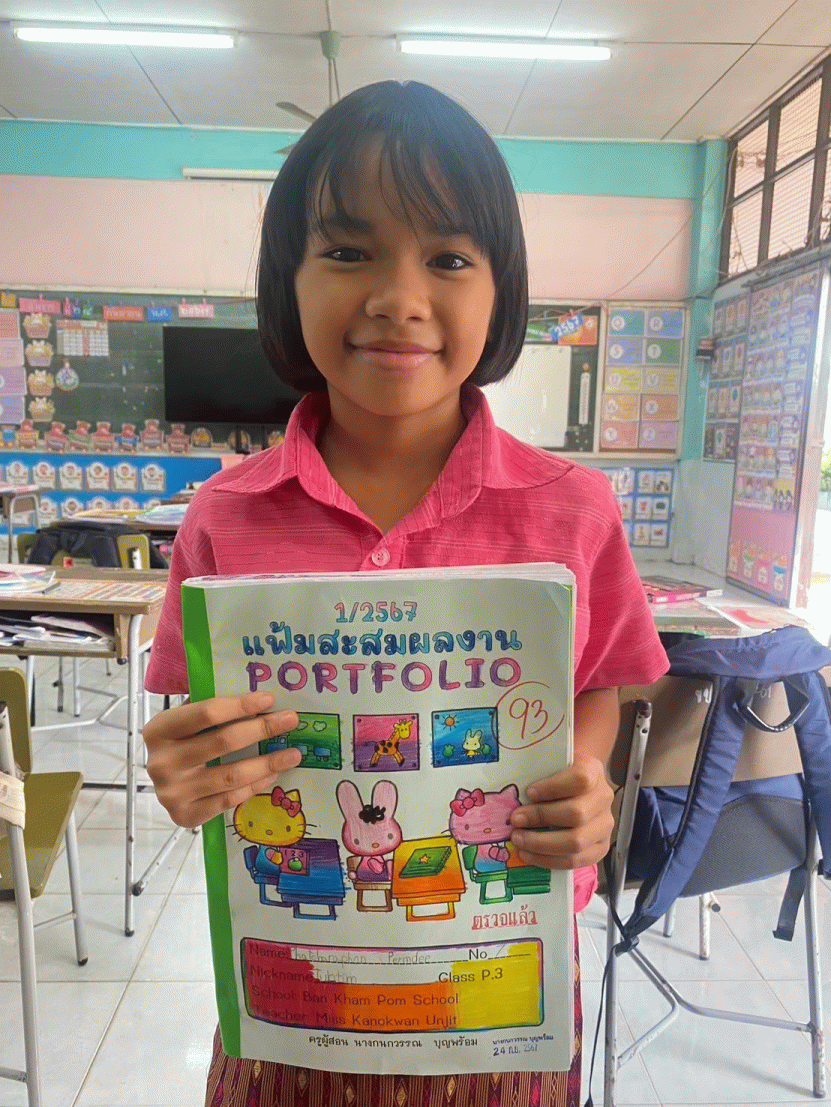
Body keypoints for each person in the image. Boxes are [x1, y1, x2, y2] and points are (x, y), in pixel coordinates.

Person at [143, 80, 669, 1107]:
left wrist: (586, 778)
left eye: (449, 258)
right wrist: (184, 771)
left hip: (501, 993)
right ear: (287, 280)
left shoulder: (573, 509)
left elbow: (596, 683)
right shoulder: (224, 516)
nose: (398, 295)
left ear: (500, 288)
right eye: (347, 251)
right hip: (294, 999)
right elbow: (200, 725)